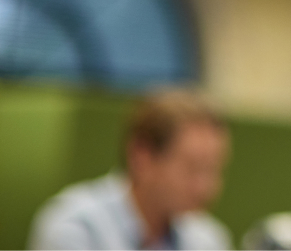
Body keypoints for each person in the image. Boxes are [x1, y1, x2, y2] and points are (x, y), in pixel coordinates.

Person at [29, 88, 231, 250]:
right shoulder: (77, 228)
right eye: (191, 169)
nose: (206, 187)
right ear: (142, 157)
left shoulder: (207, 238)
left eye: (213, 170)